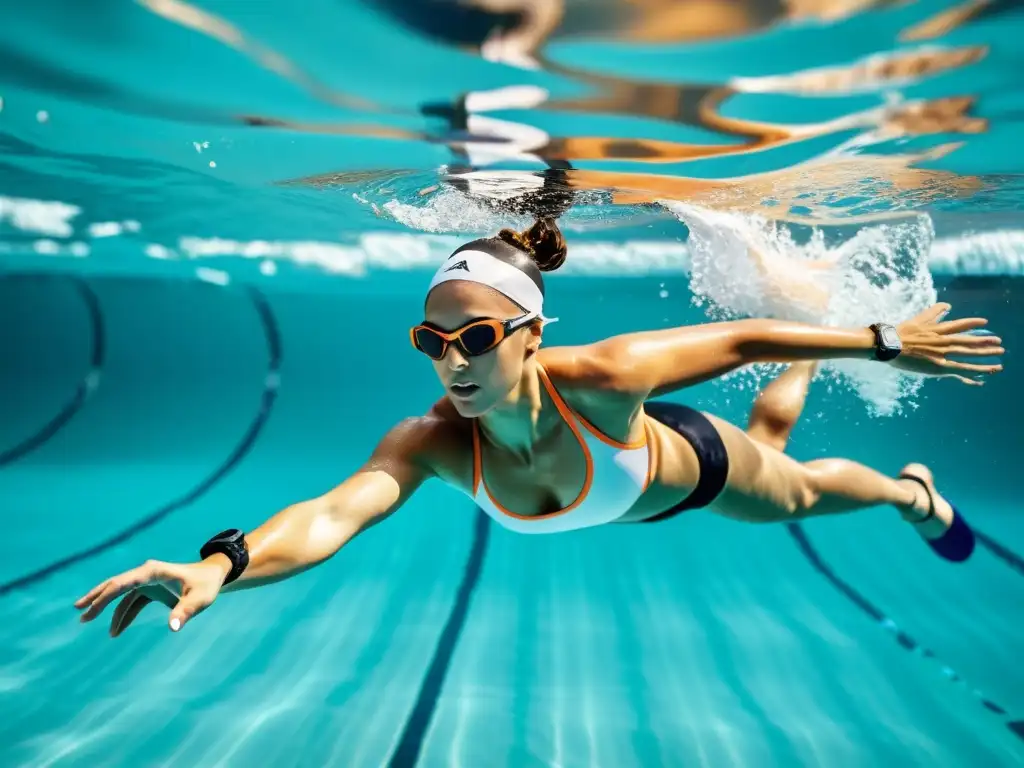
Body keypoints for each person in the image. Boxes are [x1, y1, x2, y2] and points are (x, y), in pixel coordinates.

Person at [75, 218, 1004, 637]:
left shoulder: (599, 375)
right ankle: (811, 363)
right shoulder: (431, 440)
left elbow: (737, 337)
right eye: (432, 341)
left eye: (476, 338)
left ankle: (913, 492)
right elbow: (330, 515)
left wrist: (884, 341)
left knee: (790, 485)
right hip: (626, 486)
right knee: (776, 426)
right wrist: (219, 566)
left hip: (685, 467)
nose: (453, 361)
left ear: (529, 334)